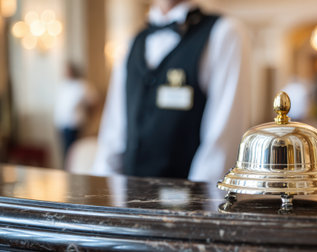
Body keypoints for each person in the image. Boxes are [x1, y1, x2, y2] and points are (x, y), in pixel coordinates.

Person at [92, 0, 251, 182]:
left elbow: (222, 143)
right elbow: (113, 135)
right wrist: (101, 195)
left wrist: (196, 206)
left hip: (189, 202)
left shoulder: (224, 32)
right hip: (128, 199)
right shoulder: (133, 42)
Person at [54, 63, 93, 159]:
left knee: (74, 152)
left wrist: (88, 117)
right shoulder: (63, 85)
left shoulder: (81, 85)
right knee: (65, 153)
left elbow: (94, 102)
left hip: (75, 125)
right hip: (62, 124)